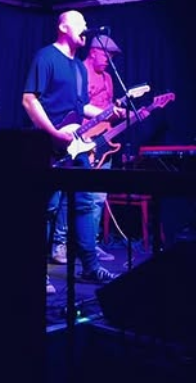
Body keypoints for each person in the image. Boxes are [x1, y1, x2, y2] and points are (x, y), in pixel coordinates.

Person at [22, 10, 122, 292]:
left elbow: (80, 109)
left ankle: (90, 267)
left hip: (76, 145)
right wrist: (53, 133)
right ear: (64, 27)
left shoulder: (79, 67)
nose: (86, 29)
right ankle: (35, 270)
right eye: (81, 24)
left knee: (85, 202)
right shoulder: (46, 57)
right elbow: (29, 100)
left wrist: (109, 112)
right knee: (47, 208)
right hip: (48, 145)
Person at [49, 34, 124, 265]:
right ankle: (60, 244)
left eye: (112, 57)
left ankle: (90, 245)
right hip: (79, 142)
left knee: (98, 197)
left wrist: (118, 112)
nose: (109, 60)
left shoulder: (109, 78)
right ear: (93, 52)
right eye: (106, 55)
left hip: (103, 142)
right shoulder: (79, 72)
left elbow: (107, 109)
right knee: (67, 197)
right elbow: (76, 108)